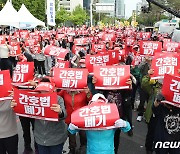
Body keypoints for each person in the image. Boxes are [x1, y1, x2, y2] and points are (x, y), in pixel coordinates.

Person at [12, 78, 68, 154]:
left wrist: (60, 111)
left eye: (46, 90)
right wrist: (16, 104)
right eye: (41, 90)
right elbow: (23, 109)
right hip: (40, 139)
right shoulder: (33, 99)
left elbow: (64, 115)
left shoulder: (58, 99)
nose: (43, 93)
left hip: (56, 139)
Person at [58, 89, 91, 154]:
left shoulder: (83, 91)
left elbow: (90, 101)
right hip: (70, 117)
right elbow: (56, 98)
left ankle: (83, 149)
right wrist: (56, 89)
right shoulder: (65, 91)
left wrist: (88, 93)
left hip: (81, 117)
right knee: (71, 135)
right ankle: (72, 149)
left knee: (83, 135)